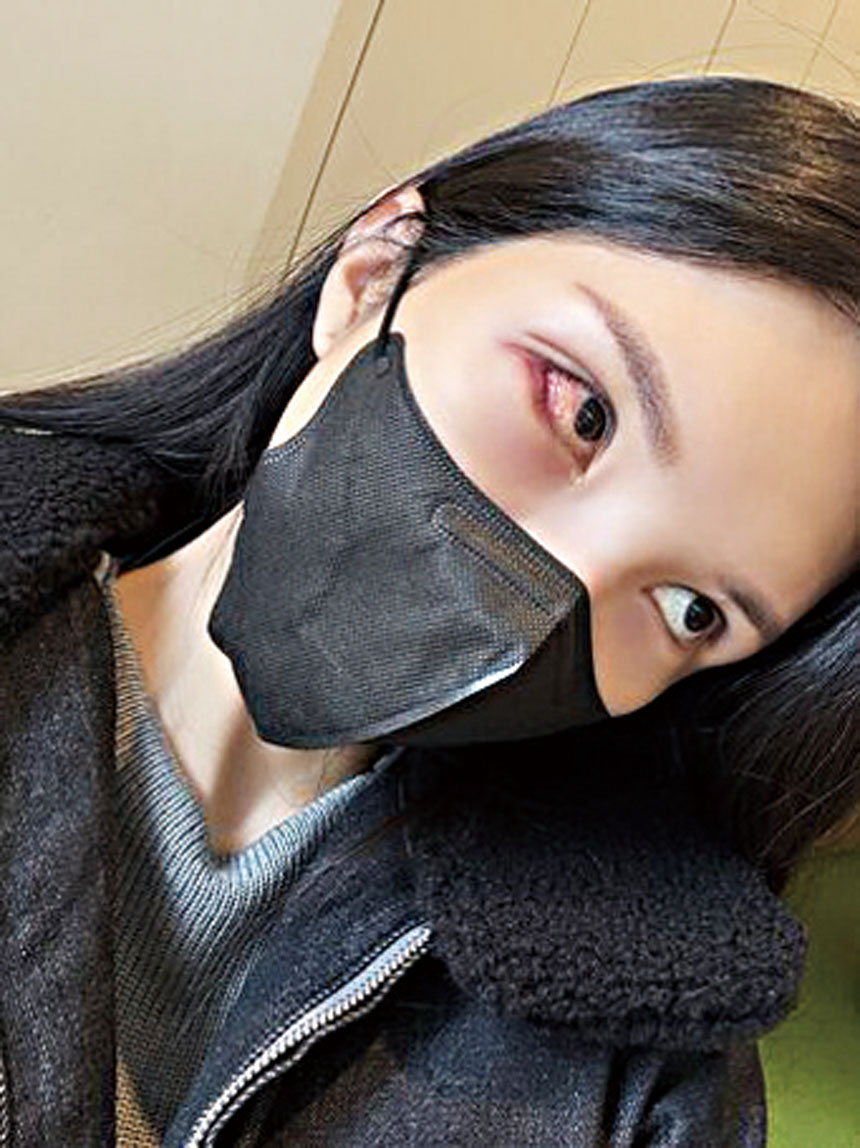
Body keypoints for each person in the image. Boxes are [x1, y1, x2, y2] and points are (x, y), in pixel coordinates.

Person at [0, 75, 856, 1146]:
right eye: (583, 412)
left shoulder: (640, 1064)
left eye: (691, 610)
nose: (549, 600)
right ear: (375, 273)